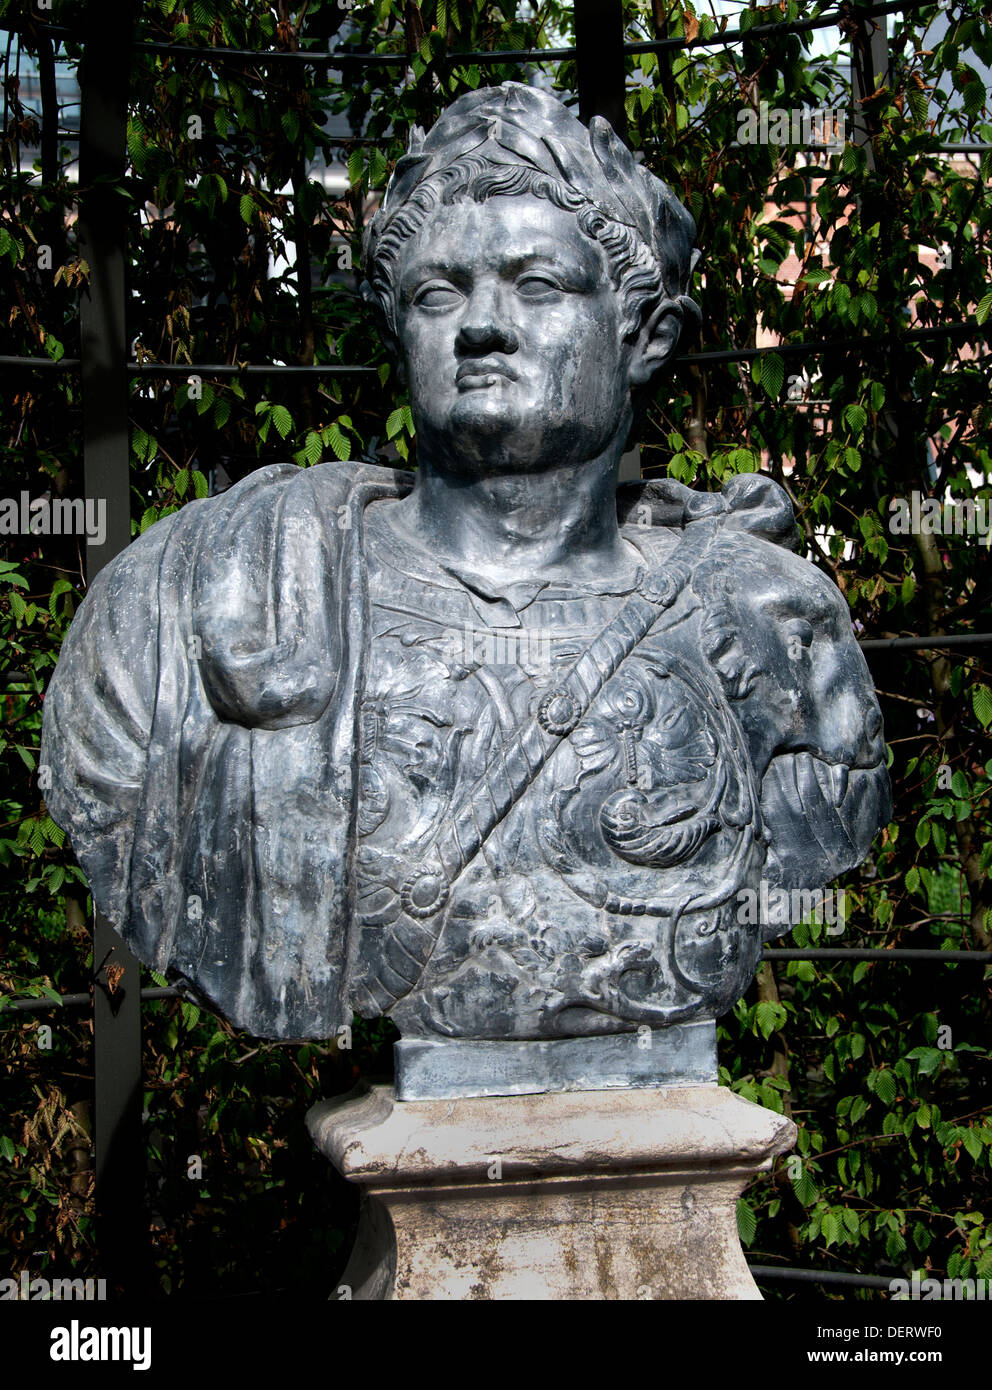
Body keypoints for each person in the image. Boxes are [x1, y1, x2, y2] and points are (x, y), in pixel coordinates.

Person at [42, 83, 889, 1048]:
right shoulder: (201, 605)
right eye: (439, 292)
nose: (483, 324)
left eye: (538, 285)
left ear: (645, 336)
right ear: (400, 328)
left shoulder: (773, 623)